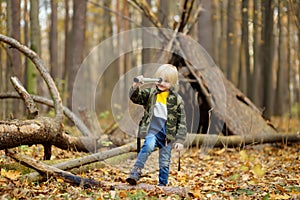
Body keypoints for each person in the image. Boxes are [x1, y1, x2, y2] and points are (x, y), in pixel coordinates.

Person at [126, 64, 187, 186]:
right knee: (148, 146)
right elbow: (135, 97)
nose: (162, 83)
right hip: (152, 131)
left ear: (173, 83)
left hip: (167, 137)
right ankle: (135, 172)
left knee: (165, 161)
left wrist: (179, 140)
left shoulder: (177, 100)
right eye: (160, 79)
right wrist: (136, 86)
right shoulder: (151, 94)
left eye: (166, 81)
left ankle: (162, 184)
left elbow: (182, 122)